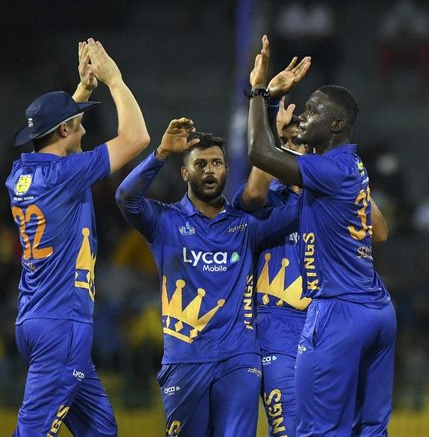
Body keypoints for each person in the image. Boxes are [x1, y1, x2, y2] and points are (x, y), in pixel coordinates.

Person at [247, 35, 396, 436]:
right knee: (370, 429)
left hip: (338, 310)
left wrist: (259, 92)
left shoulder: (327, 170)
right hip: (377, 309)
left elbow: (259, 153)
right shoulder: (350, 164)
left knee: (318, 430)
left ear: (336, 125)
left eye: (312, 111)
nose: (303, 116)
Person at [114, 120, 298, 437]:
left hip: (239, 360)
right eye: (200, 164)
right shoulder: (164, 221)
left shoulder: (246, 225)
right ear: (185, 173)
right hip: (186, 359)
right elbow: (125, 197)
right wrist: (160, 153)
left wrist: (325, 168)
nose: (209, 170)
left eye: (216, 163)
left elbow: (301, 208)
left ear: (227, 170)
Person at [6, 39, 150, 436]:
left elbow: (56, 139)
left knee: (101, 430)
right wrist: (114, 79)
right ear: (64, 130)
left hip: (34, 320)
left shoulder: (20, 175)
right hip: (62, 326)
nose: (85, 128)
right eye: (78, 122)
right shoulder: (67, 176)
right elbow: (137, 137)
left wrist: (82, 90)